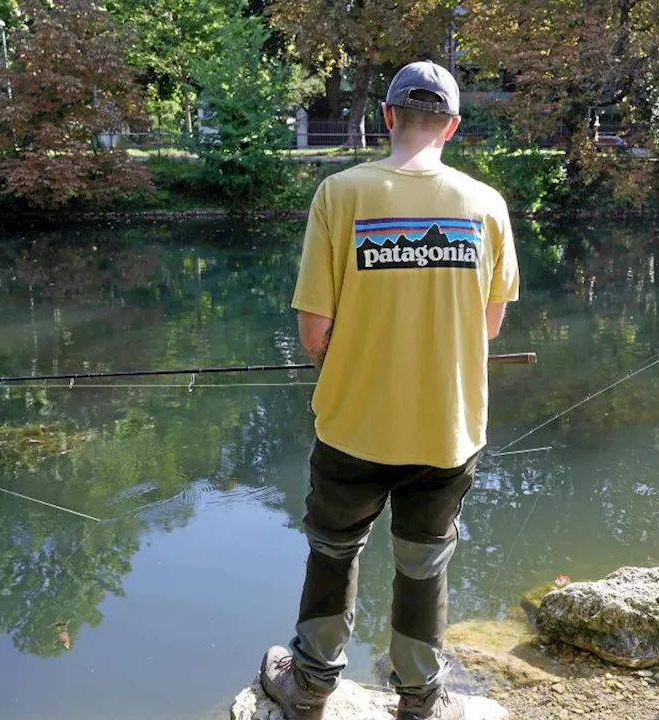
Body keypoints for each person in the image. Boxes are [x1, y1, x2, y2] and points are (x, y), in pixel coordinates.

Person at [259, 61, 520, 720]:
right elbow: (488, 326)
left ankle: (312, 685)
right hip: (448, 429)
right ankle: (419, 699)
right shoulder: (486, 205)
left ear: (387, 116)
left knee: (332, 551)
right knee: (424, 565)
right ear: (453, 127)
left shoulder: (340, 194)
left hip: (352, 425)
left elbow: (314, 333)